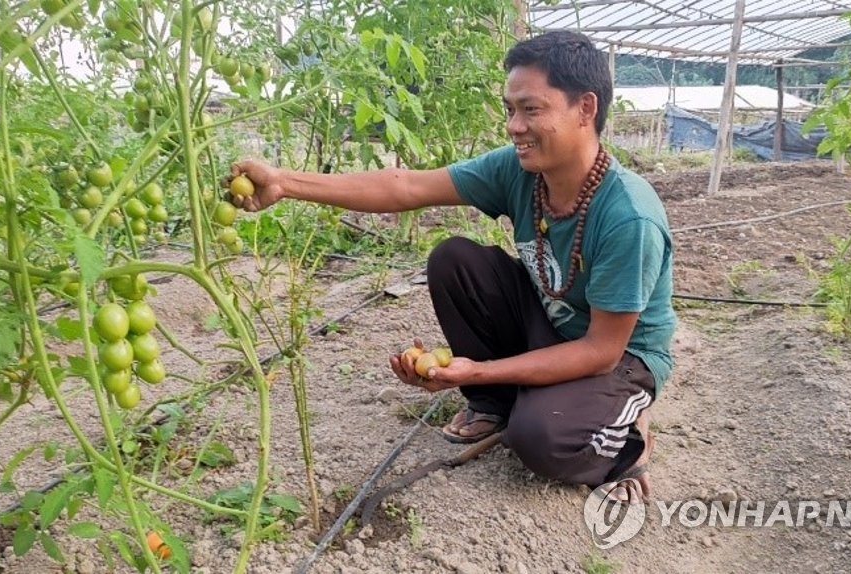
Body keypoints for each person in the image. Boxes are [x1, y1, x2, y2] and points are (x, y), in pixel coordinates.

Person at [227, 30, 675, 501]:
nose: (514, 126)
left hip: (619, 358)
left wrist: (476, 370)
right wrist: (284, 182)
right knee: (454, 260)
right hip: (556, 325)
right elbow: (405, 188)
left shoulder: (629, 216)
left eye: (531, 109)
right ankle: (497, 405)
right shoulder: (521, 171)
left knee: (542, 439)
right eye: (510, 109)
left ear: (585, 109)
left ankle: (627, 437)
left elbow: (600, 351)